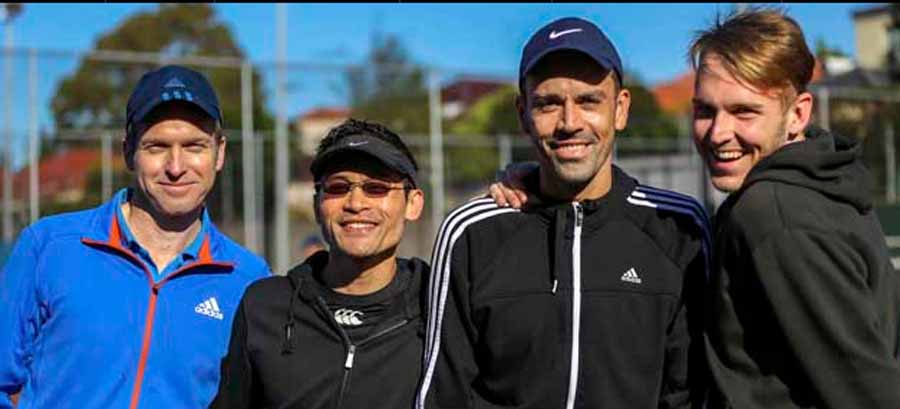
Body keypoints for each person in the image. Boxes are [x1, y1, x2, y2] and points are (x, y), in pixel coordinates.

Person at [416, 17, 709, 409]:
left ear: (620, 110)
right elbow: (443, 396)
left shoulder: (679, 229)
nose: (570, 123)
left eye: (589, 101)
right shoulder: (470, 234)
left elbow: (690, 393)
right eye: (548, 103)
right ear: (523, 114)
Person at [0, 65, 270, 409]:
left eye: (194, 146)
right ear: (129, 152)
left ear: (218, 153)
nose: (176, 166)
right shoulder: (49, 246)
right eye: (157, 146)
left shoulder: (248, 279)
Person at [689, 8, 900, 408]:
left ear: (798, 114)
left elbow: (869, 391)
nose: (717, 134)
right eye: (704, 110)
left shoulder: (772, 212)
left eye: (743, 111)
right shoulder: (829, 184)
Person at [211, 118, 428, 409]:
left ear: (413, 203)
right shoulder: (264, 306)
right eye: (338, 187)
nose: (355, 203)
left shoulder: (440, 305)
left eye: (375, 187)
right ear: (317, 206)